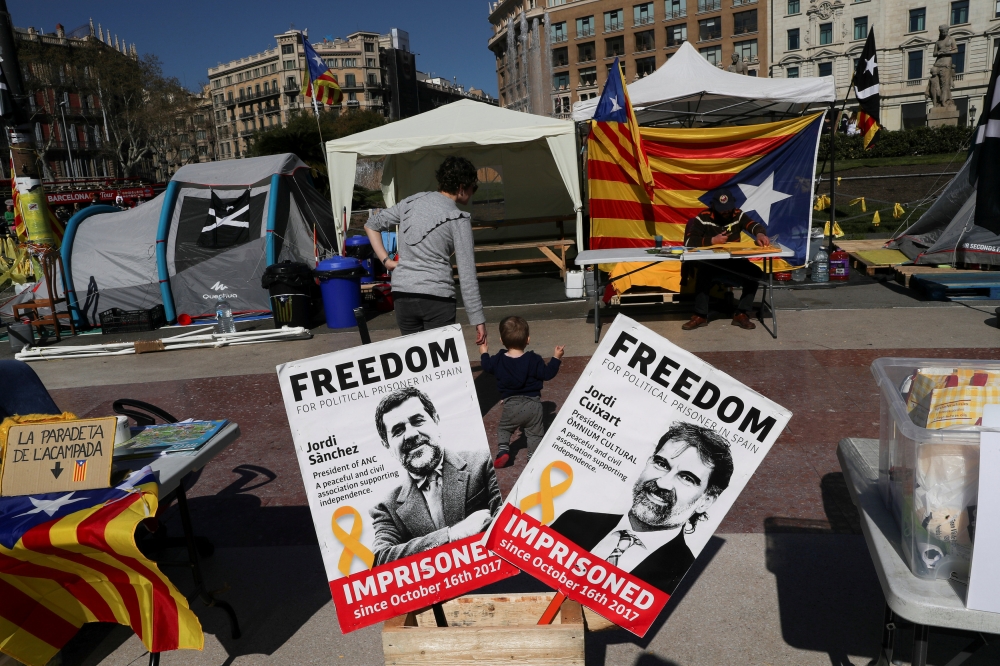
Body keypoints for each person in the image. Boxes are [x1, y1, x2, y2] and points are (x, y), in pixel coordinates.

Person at [550, 422, 733, 594]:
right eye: (661, 464)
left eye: (686, 478)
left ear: (706, 501)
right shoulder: (572, 521)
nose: (662, 483)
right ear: (648, 462)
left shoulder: (686, 576)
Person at [368, 386, 503, 565]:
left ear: (436, 420)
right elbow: (380, 560)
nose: (411, 434)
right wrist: (451, 535)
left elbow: (506, 525)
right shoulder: (386, 508)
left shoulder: (486, 462)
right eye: (398, 430)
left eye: (418, 421)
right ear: (387, 445)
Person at [365, 156, 487, 346]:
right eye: (473, 187)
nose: (473, 192)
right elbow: (467, 275)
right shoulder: (458, 218)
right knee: (441, 360)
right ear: (462, 187)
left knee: (416, 360)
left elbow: (371, 224)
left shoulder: (411, 202)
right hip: (437, 297)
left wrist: (386, 261)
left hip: (403, 294)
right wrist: (477, 318)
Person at [479, 316, 564, 468]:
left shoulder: (498, 360)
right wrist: (556, 358)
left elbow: (486, 366)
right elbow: (547, 374)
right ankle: (532, 457)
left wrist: (484, 352)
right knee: (535, 434)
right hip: (534, 406)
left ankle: (503, 450)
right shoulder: (534, 359)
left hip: (511, 405)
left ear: (501, 340)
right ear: (528, 340)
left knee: (504, 428)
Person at [681, 188, 770, 331]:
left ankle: (741, 313)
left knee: (755, 273)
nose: (726, 212)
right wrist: (712, 240)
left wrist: (760, 234)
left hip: (733, 261)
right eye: (722, 209)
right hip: (711, 262)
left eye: (728, 208)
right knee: (703, 273)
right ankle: (700, 315)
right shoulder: (703, 217)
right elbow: (689, 241)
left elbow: (753, 225)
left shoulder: (737, 214)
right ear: (714, 206)